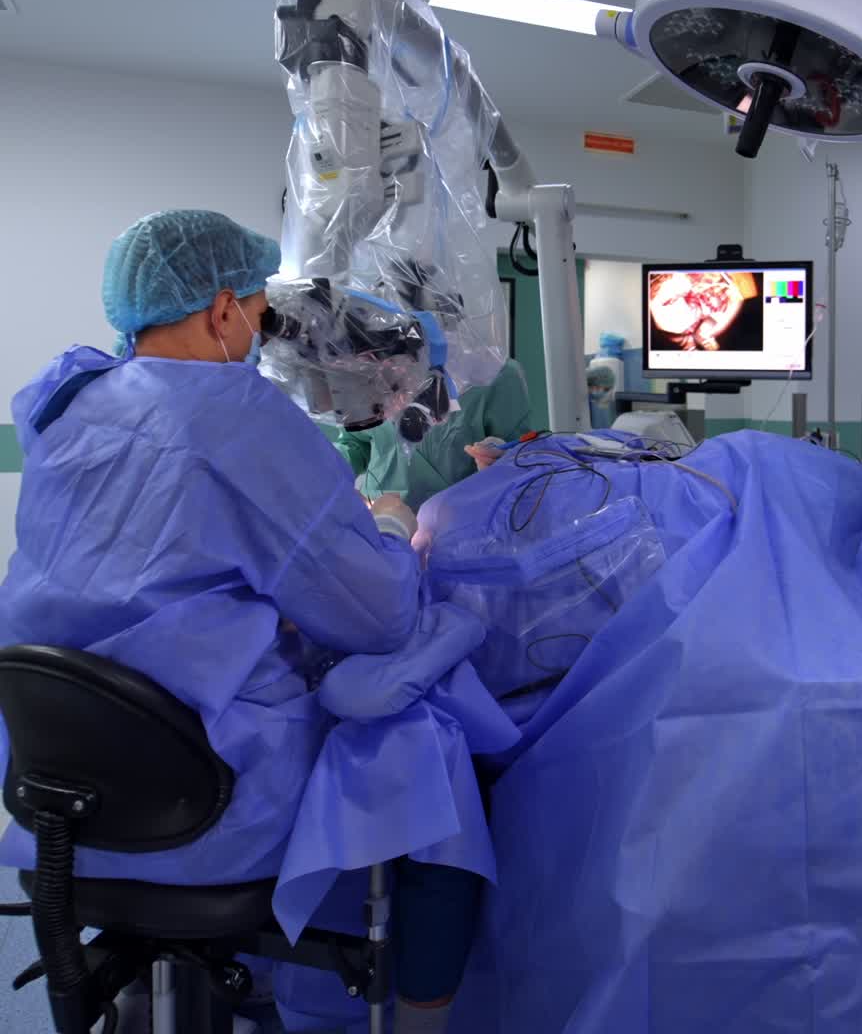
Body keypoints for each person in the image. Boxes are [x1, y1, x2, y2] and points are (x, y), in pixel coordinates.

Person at [0, 210, 471, 1032]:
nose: (262, 333)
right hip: (209, 803)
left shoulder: (70, 400)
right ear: (222, 310)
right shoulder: (237, 418)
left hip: (58, 801)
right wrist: (391, 526)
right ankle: (417, 1005)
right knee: (431, 765)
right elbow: (378, 614)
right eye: (257, 311)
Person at [335, 358, 532, 507]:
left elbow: (522, 472)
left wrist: (500, 463)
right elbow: (355, 443)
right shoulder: (375, 371)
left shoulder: (495, 374)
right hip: (381, 527)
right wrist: (325, 465)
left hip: (455, 534)